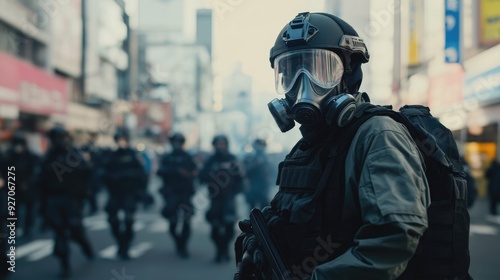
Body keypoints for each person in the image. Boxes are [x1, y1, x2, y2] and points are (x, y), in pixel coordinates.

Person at [234, 12, 431, 279]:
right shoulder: (310, 145)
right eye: (290, 73)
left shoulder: (377, 135)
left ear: (349, 77)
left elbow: (394, 237)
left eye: (319, 70)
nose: (303, 85)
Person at [38, 126, 94, 278]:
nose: (59, 141)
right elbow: (41, 181)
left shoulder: (72, 155)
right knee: (59, 233)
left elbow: (87, 174)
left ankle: (86, 247)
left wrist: (84, 197)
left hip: (71, 200)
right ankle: (65, 266)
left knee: (75, 229)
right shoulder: (49, 156)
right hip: (55, 200)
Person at [101, 129, 147, 260]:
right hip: (115, 193)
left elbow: (141, 174)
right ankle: (120, 242)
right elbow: (103, 173)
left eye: (124, 140)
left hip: (129, 193)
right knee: (113, 220)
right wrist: (114, 177)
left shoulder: (133, 155)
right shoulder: (110, 156)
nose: (121, 142)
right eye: (119, 140)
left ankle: (125, 245)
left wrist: (140, 190)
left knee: (128, 220)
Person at [200, 135, 244, 263]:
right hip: (215, 199)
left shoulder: (232, 159)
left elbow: (240, 177)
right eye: (218, 144)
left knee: (229, 226)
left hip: (229, 198)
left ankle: (225, 249)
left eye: (223, 144)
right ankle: (219, 250)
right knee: (214, 227)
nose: (220, 146)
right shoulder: (210, 160)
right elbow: (202, 177)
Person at [157, 132, 198, 258]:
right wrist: (175, 171)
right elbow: (160, 171)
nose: (177, 144)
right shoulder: (167, 157)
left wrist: (189, 174)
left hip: (185, 194)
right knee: (172, 222)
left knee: (187, 221)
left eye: (179, 142)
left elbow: (195, 172)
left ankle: (183, 246)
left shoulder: (187, 157)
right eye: (175, 142)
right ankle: (178, 242)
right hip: (171, 194)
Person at [1, 133, 40, 237]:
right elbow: (5, 171)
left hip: (28, 188)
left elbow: (35, 172)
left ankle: (28, 228)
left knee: (29, 210)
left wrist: (28, 183)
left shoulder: (31, 156)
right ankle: (14, 228)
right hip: (13, 188)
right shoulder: (8, 156)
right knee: (14, 210)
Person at [242, 138, 272, 210]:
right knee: (252, 209)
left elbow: (271, 172)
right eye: (258, 145)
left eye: (261, 145)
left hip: (263, 187)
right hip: (252, 186)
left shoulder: (267, 158)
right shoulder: (249, 157)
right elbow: (245, 172)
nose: (260, 147)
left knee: (264, 209)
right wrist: (255, 164)